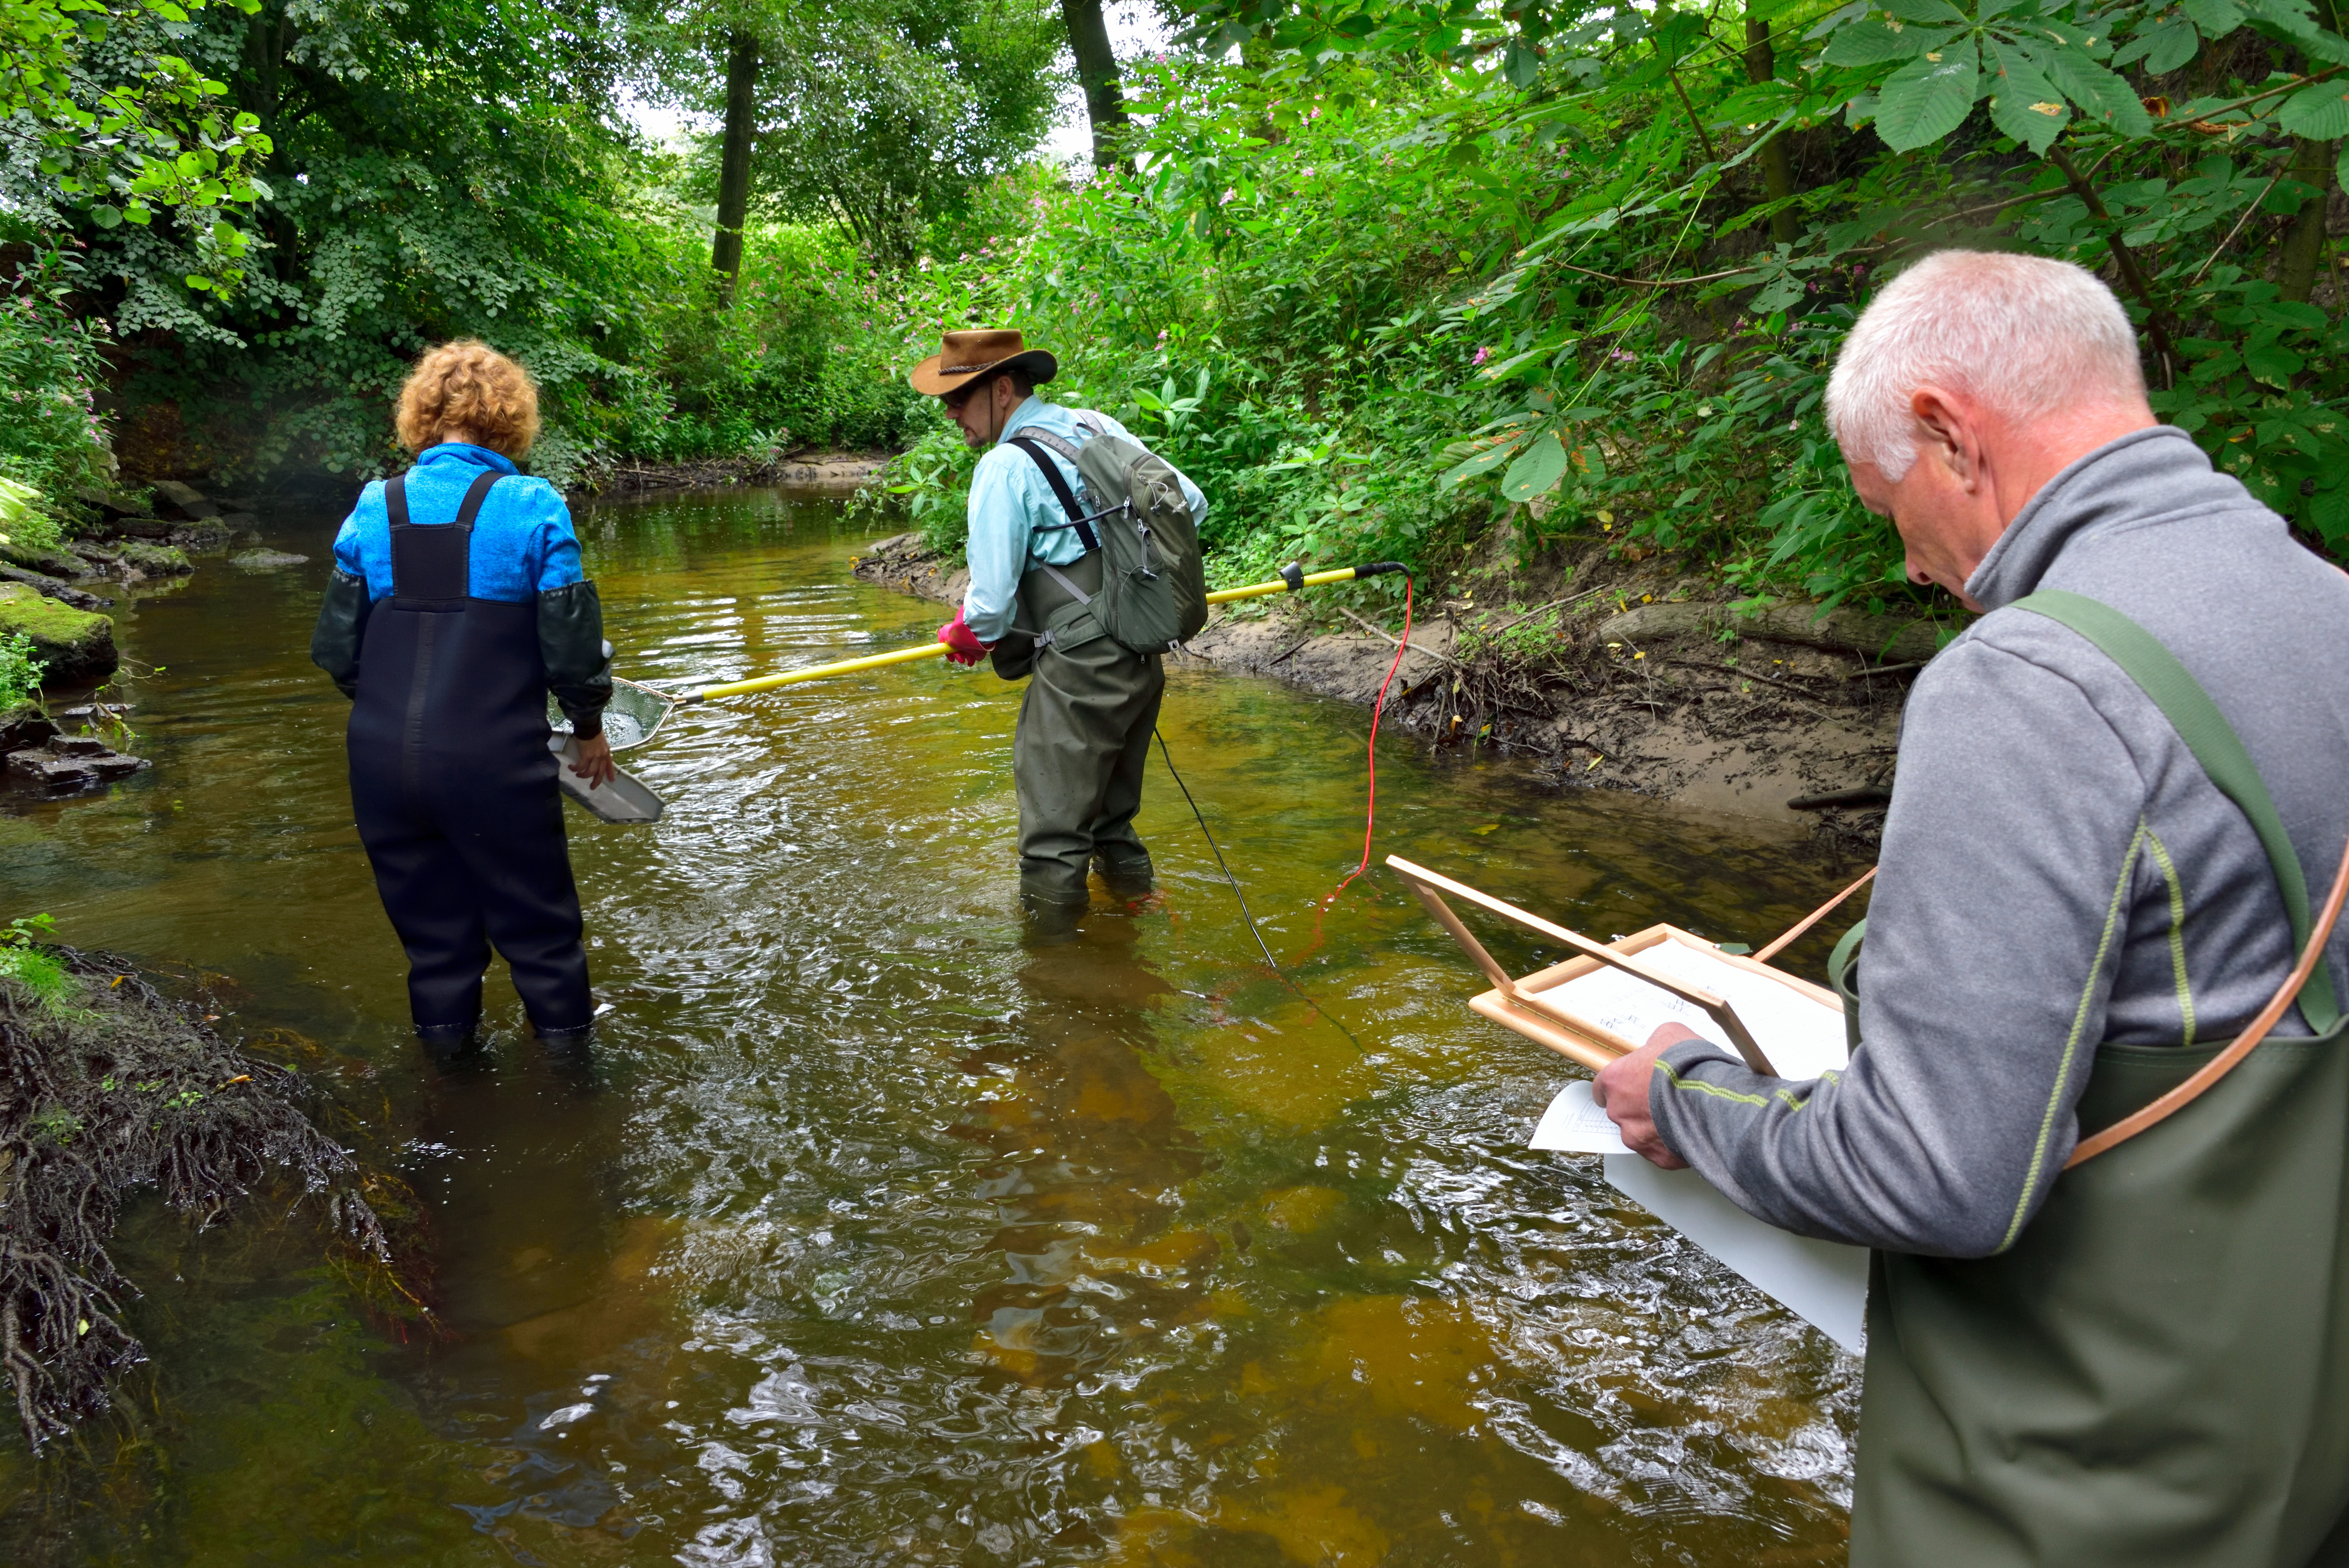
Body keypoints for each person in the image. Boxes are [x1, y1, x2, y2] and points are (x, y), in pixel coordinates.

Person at [1592, 251, 2349, 1565]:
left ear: (1947, 431)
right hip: (2298, 1438)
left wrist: (1687, 1098)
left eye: (1884, 500)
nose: (1908, 560)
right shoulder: (2322, 599)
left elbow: (1936, 1176)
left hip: (2078, 1481)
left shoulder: (2028, 681)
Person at [311, 340, 616, 1053]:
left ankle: (446, 1090)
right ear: (510, 418)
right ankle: (575, 1103)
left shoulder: (373, 505)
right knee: (543, 940)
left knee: (437, 948)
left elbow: (335, 652)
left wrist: (387, 702)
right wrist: (589, 726)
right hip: (493, 762)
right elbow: (572, 648)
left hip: (381, 761)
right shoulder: (532, 504)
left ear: (422, 415)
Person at [909, 329, 1208, 923]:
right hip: (1139, 652)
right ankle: (1140, 920)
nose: (950, 414)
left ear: (1001, 390)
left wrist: (968, 636)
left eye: (959, 399)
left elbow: (990, 605)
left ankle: (1057, 981)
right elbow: (1190, 503)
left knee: (1052, 841)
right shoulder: (1097, 426)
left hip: (1080, 669)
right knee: (1108, 820)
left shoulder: (1002, 467)